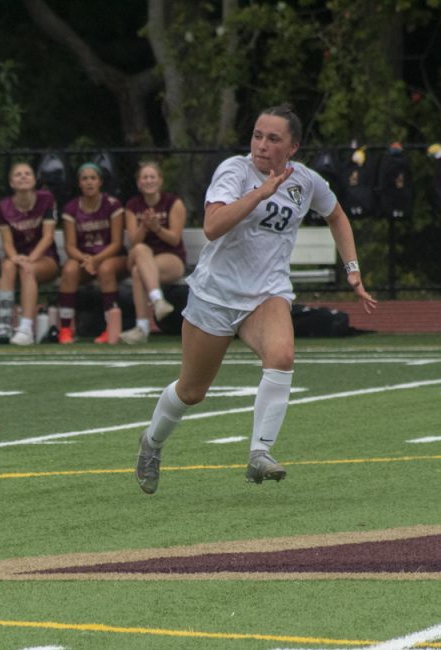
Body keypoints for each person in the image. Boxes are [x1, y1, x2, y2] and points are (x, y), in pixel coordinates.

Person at [135, 104, 376, 494]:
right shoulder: (235, 170)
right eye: (257, 136)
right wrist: (262, 192)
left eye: (273, 138)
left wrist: (352, 268)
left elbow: (337, 215)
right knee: (192, 392)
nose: (262, 145)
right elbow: (212, 226)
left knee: (282, 357)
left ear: (293, 147)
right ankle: (152, 442)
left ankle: (259, 453)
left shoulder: (306, 181)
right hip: (216, 294)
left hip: (267, 293)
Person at [57, 163, 126, 344]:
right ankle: (65, 328)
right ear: (79, 183)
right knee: (69, 269)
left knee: (106, 268)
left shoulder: (112, 205)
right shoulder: (71, 208)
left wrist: (94, 260)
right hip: (83, 259)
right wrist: (85, 259)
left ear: (100, 182)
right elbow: (70, 246)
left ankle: (110, 328)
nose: (89, 182)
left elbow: (117, 243)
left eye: (93, 178)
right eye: (84, 178)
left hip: (109, 257)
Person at [122, 161, 188, 344]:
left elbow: (174, 239)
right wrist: (144, 226)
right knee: (141, 249)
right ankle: (158, 301)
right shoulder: (132, 205)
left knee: (138, 272)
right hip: (139, 256)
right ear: (138, 183)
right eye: (144, 177)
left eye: (152, 177)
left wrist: (157, 228)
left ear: (160, 181)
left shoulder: (174, 203)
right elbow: (133, 242)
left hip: (170, 258)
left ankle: (142, 328)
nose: (148, 180)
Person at [0, 162, 59, 344]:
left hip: (44, 258)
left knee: (27, 270)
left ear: (34, 179)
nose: (23, 177)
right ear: (11, 183)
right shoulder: (3, 206)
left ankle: (26, 328)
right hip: (18, 258)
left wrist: (29, 259)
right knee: (7, 265)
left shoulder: (46, 199)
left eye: (27, 173)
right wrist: (15, 257)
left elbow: (47, 238)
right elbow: (6, 242)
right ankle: (4, 326)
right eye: (18, 174)